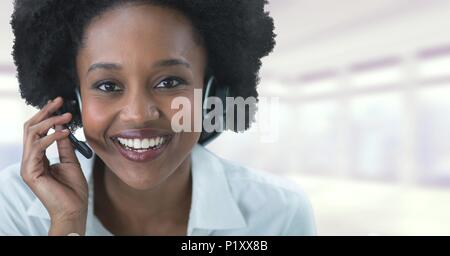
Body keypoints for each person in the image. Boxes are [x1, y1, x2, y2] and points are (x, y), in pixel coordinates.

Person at [0, 0, 315, 236]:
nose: (138, 114)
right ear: (75, 99)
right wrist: (67, 222)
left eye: (170, 82)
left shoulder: (279, 215)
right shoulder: (14, 201)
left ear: (211, 93)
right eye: (108, 85)